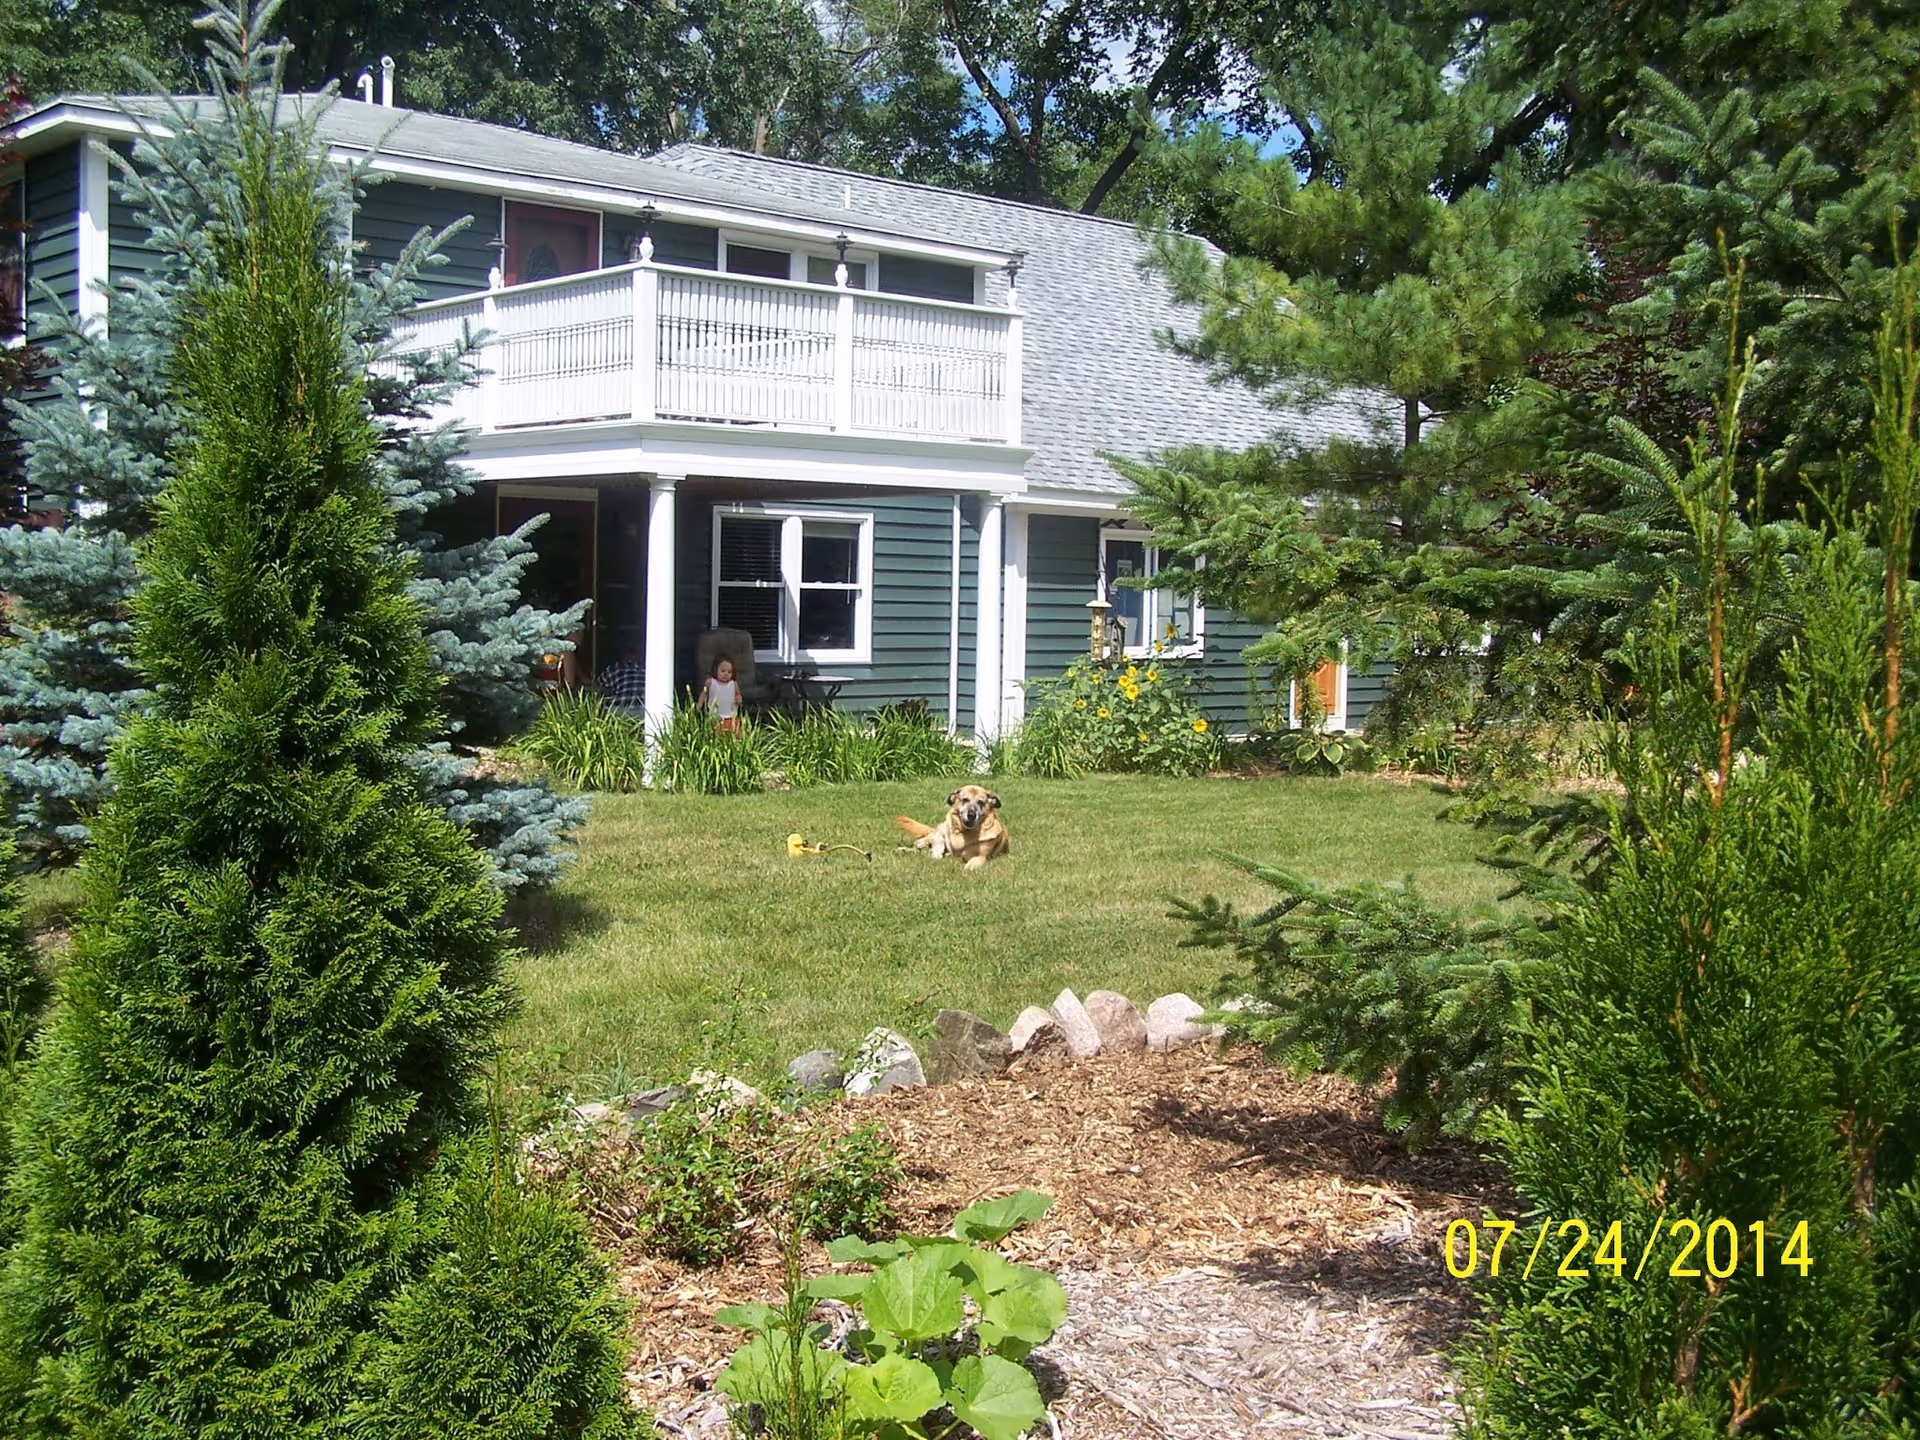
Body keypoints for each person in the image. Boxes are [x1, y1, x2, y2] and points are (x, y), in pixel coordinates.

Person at [700, 654, 744, 734]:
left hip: (731, 716)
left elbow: (737, 694)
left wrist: (738, 698)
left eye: (729, 672)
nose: (726, 674)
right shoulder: (710, 682)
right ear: (715, 669)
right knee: (716, 736)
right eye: (723, 671)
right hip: (715, 717)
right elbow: (704, 693)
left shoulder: (733, 684)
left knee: (733, 735)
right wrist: (699, 705)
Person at [596, 640, 645, 708]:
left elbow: (598, 687)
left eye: (633, 651)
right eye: (630, 651)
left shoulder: (615, 668)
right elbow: (599, 687)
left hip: (621, 709)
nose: (631, 656)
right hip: (642, 709)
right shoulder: (651, 670)